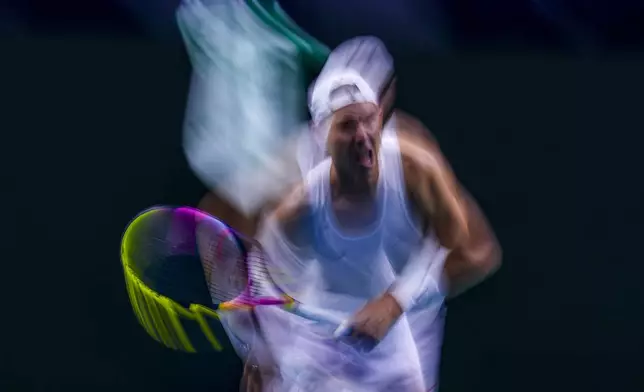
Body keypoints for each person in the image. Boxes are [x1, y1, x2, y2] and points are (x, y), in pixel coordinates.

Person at [200, 37, 501, 392]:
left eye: (369, 116)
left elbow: (475, 252)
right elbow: (233, 247)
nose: (363, 134)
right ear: (322, 134)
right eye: (346, 124)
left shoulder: (414, 165)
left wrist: (394, 303)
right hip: (314, 352)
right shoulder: (295, 194)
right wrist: (258, 348)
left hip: (398, 349)